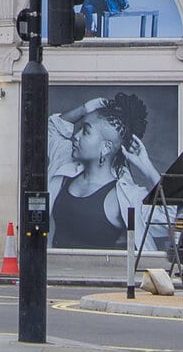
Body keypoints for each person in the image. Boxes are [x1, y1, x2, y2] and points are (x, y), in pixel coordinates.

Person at [47, 94, 159, 249]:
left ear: (106, 147)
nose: (76, 136)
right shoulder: (66, 164)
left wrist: (147, 167)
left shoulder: (126, 195)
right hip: (55, 264)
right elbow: (52, 129)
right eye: (80, 128)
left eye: (85, 132)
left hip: (101, 266)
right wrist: (83, 109)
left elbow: (172, 214)